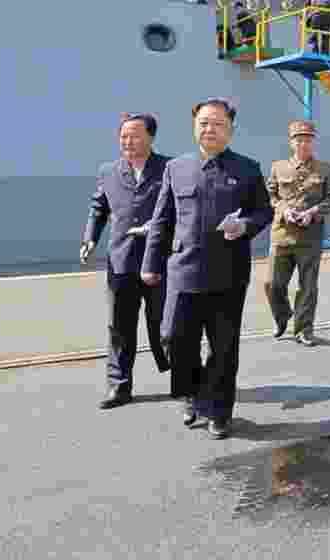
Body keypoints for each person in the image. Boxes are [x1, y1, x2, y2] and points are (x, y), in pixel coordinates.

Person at [141, 97, 273, 440]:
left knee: (223, 348)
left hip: (227, 274)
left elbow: (264, 212)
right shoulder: (177, 168)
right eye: (203, 122)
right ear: (194, 126)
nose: (209, 128)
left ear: (230, 130)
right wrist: (150, 264)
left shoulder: (247, 168)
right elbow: (161, 221)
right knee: (174, 338)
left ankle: (219, 411)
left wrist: (245, 227)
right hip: (183, 270)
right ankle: (193, 394)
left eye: (217, 123)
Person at [82, 113, 172, 409]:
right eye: (123, 136)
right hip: (121, 261)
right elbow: (99, 208)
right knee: (119, 327)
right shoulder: (109, 171)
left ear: (150, 137)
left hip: (160, 260)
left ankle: (183, 382)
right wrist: (90, 238)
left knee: (166, 326)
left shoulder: (169, 169)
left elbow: (181, 209)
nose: (127, 141)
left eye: (134, 135)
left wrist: (156, 229)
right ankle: (119, 386)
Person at [264, 119, 330, 347]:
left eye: (307, 139)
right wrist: (284, 210)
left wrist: (313, 212)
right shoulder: (278, 167)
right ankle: (282, 315)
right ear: (291, 142)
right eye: (299, 139)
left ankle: (304, 329)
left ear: (313, 141)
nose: (303, 143)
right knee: (272, 284)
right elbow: (270, 196)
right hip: (282, 235)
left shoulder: (325, 169)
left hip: (310, 237)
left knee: (308, 286)